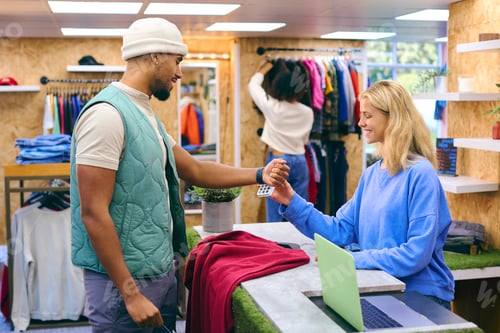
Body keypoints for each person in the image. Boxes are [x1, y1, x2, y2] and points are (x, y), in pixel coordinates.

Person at [70, 17, 289, 333]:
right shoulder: (106, 115)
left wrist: (259, 173)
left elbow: (196, 169)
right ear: (155, 55)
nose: (180, 72)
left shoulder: (145, 114)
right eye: (178, 60)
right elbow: (93, 213)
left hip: (156, 272)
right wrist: (131, 294)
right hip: (122, 286)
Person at [269, 79, 455, 308]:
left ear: (393, 118)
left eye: (368, 115)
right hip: (380, 285)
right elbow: (341, 230)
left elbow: (415, 254)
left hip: (421, 295)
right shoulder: (371, 174)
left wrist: (354, 259)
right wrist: (291, 201)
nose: (360, 122)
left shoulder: (420, 175)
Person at [248, 59, 314, 222]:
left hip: (276, 162)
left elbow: (253, 86)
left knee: (274, 211)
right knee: (299, 209)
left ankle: (276, 245)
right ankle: (301, 245)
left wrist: (263, 70)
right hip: (300, 162)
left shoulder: (273, 106)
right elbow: (305, 140)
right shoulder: (307, 112)